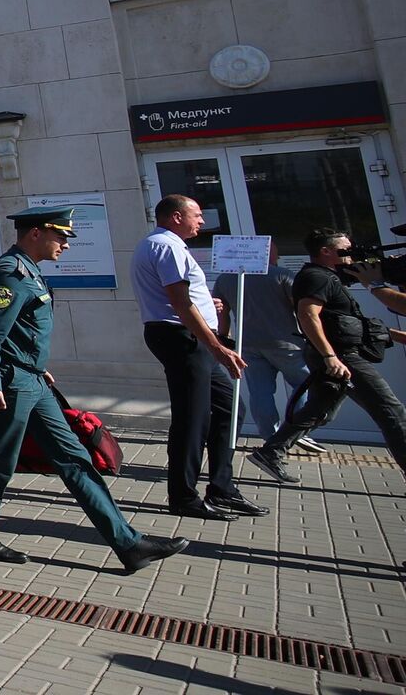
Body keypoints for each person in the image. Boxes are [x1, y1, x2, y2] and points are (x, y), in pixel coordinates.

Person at [0, 205, 188, 573]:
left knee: (76, 460)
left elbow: (22, 332)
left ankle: (128, 544)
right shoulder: (10, 274)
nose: (65, 244)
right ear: (35, 233)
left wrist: (38, 366)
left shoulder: (30, 272)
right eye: (60, 236)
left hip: (32, 379)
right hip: (11, 383)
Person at [131, 195, 258, 520]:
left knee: (229, 407)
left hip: (191, 337)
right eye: (197, 214)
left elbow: (183, 297)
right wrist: (217, 346)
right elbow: (179, 302)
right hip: (183, 340)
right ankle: (184, 496)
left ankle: (222, 487)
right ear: (176, 217)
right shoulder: (166, 246)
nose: (202, 221)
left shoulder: (166, 245)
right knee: (193, 418)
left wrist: (209, 307)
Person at [249, 228, 406, 483]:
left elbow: (348, 321)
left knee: (320, 409)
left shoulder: (329, 278)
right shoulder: (317, 277)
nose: (352, 255)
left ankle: (270, 452)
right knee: (391, 411)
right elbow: (307, 314)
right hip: (341, 357)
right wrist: (330, 356)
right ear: (326, 251)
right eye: (346, 250)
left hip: (336, 354)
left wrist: (397, 335)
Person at [215, 241, 321, 450]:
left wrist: (223, 337)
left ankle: (269, 435)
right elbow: (302, 309)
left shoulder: (225, 278)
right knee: (306, 385)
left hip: (249, 344)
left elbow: (222, 311)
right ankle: (294, 429)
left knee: (260, 393)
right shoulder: (282, 275)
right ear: (268, 254)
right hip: (286, 343)